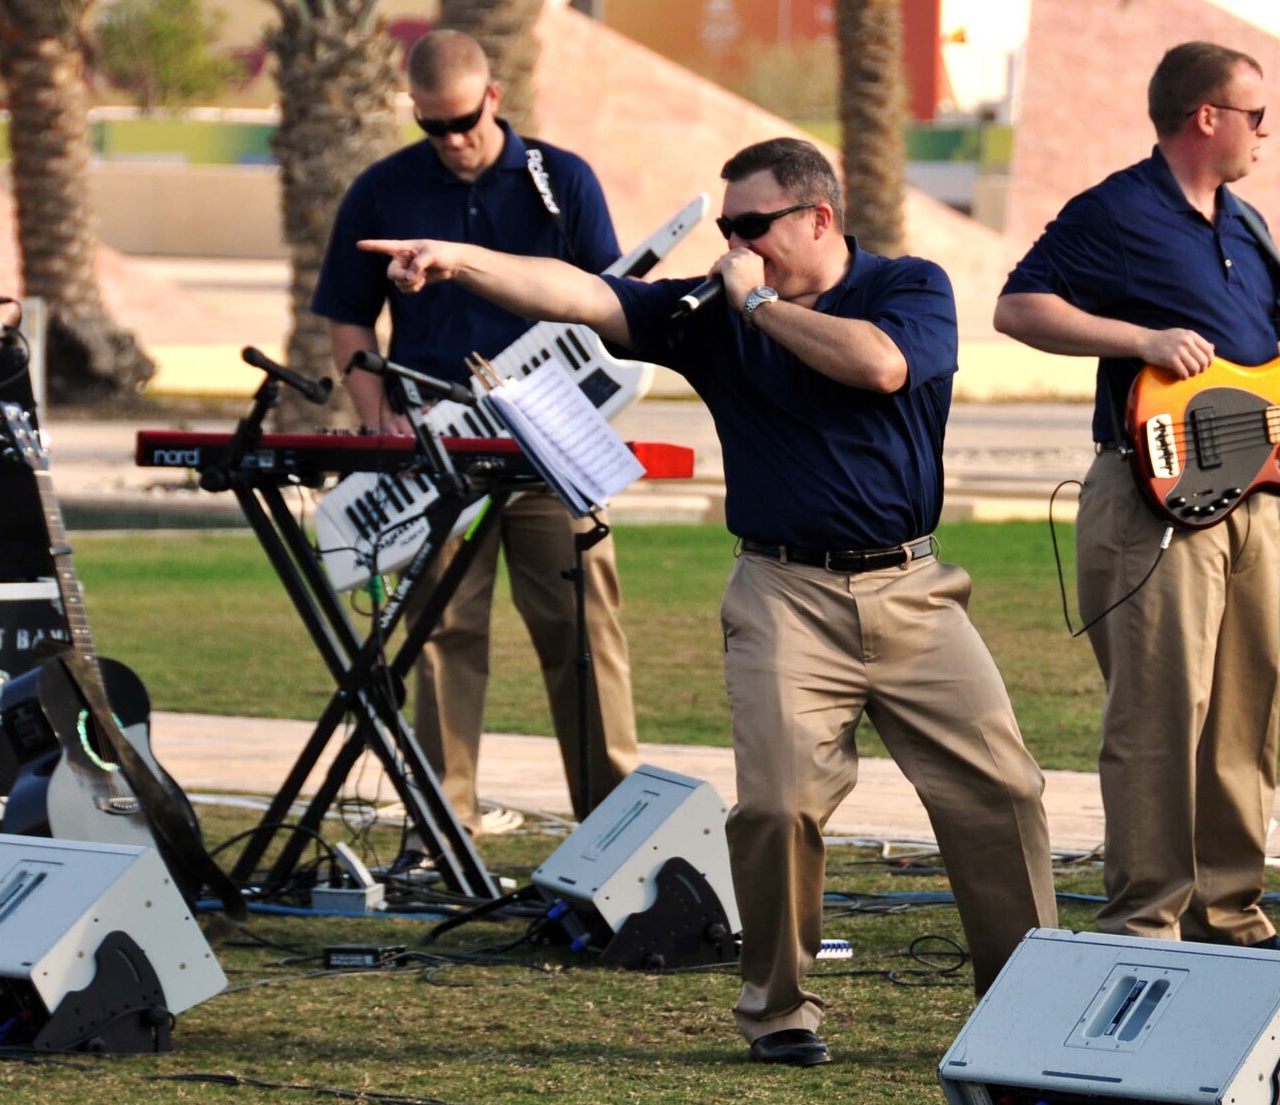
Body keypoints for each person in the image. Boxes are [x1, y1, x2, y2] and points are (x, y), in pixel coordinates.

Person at [354, 137, 1058, 1068]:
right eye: (727, 228)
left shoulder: (907, 286)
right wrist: (460, 262)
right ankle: (780, 1011)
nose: (734, 243)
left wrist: (758, 304)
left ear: (819, 218)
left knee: (1003, 792)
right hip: (782, 591)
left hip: (913, 586)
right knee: (775, 808)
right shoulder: (708, 314)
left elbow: (880, 367)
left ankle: (1032, 1005)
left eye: (753, 226)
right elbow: (582, 293)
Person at [994, 41, 1280, 959]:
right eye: (1256, 115)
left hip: (1249, 500)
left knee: (1248, 713)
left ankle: (1232, 913)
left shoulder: (1246, 226)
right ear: (1206, 117)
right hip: (1150, 497)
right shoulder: (1117, 209)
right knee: (1159, 715)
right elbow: (1020, 307)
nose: (1267, 132)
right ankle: (1145, 921)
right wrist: (1140, 337)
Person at [311, 30, 639, 829]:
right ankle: (441, 828)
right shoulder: (382, 189)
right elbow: (347, 316)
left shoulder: (559, 180)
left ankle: (615, 827)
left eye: (462, 120)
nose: (452, 140)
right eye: (432, 126)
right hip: (434, 443)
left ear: (494, 96)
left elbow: (615, 302)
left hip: (550, 438)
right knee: (442, 638)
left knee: (585, 633)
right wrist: (377, 416)